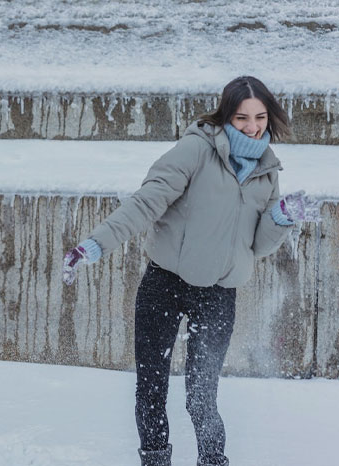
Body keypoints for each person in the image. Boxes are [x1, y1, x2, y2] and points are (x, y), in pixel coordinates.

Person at [62, 76, 321, 466]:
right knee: (151, 388)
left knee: (203, 396)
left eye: (260, 117)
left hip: (218, 294)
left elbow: (257, 246)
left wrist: (281, 218)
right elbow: (148, 201)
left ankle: (213, 461)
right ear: (225, 115)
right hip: (165, 283)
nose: (253, 126)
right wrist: (97, 243)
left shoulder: (268, 171)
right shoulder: (195, 150)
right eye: (242, 118)